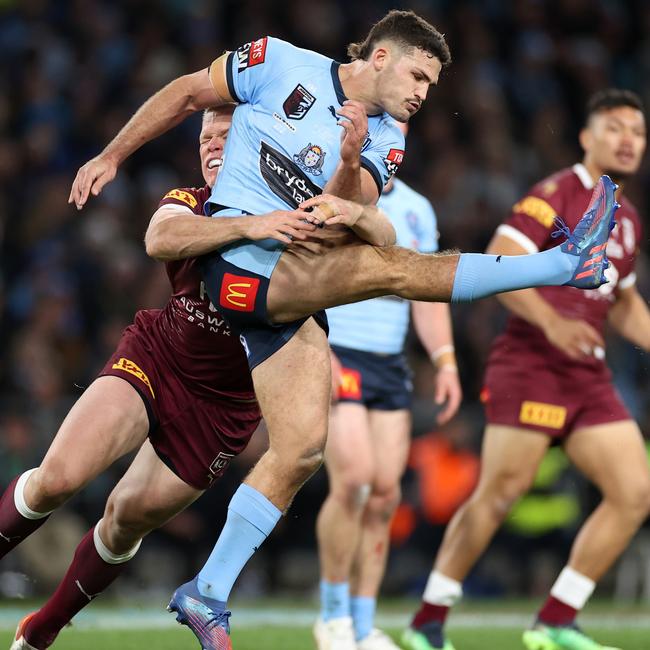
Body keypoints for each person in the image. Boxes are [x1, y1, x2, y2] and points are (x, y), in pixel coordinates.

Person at [68, 11, 617, 649]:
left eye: (433, 85)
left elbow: (349, 215)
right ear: (380, 57)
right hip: (235, 261)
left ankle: (207, 592)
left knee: (302, 448)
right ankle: (555, 265)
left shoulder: (388, 138)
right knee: (390, 271)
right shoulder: (278, 61)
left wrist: (352, 155)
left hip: (290, 286)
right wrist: (111, 155)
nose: (423, 93)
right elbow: (189, 92)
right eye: (418, 74)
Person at [5, 104, 320, 650]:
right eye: (206, 134)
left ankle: (41, 629)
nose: (212, 143)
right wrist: (250, 225)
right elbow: (160, 239)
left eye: (227, 133)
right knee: (57, 478)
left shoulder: (297, 224)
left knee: (125, 521)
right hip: (158, 357)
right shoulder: (188, 202)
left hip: (223, 409)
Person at [402, 88, 650, 650]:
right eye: (613, 127)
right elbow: (501, 256)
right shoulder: (557, 192)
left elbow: (626, 303)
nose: (628, 138)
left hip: (586, 375)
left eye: (637, 130)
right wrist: (553, 322)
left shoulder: (627, 218)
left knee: (635, 491)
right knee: (499, 493)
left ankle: (555, 620)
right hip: (531, 362)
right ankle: (428, 621)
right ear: (586, 138)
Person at [314, 156, 462, 650]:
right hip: (339, 350)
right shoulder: (333, 195)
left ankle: (361, 623)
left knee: (384, 495)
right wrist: (317, 349)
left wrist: (445, 362)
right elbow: (302, 274)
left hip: (389, 362)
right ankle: (331, 617)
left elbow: (425, 291)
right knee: (353, 480)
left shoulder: (417, 209)